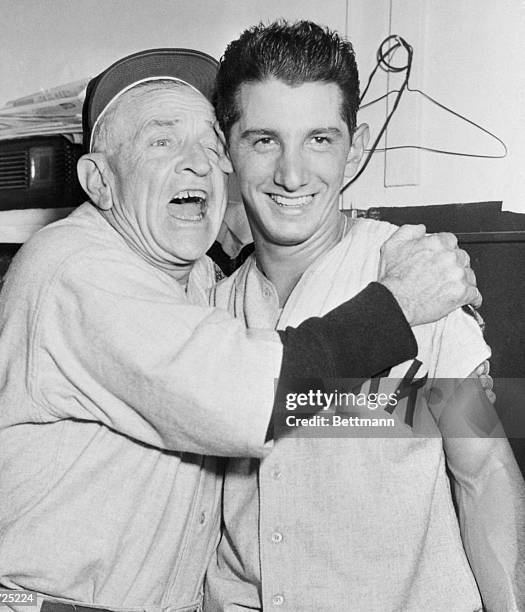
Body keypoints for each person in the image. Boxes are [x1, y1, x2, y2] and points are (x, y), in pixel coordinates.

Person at [0, 49, 482, 612]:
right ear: (99, 180)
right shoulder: (76, 266)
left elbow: (484, 466)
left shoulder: (206, 285)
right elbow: (250, 399)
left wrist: (443, 280)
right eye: (160, 141)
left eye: (211, 146)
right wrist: (403, 301)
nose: (195, 164)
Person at [205, 21, 525, 612]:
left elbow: (483, 474)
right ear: (226, 147)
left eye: (320, 139)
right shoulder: (207, 309)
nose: (293, 175)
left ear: (356, 144)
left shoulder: (417, 278)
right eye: (263, 140)